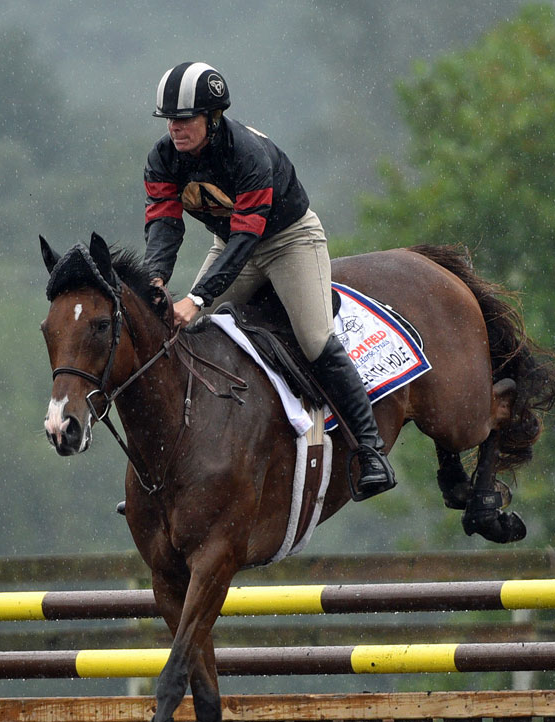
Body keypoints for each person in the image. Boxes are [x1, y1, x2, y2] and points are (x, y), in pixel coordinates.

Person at [143, 61, 395, 501]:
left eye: (184, 120)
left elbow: (249, 237)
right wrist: (157, 279)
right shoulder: (162, 159)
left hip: (288, 240)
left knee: (315, 338)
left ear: (213, 117)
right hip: (231, 241)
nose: (174, 130)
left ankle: (370, 450)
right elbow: (165, 225)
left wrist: (198, 297)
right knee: (188, 334)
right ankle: (172, 468)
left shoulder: (247, 154)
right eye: (169, 121)